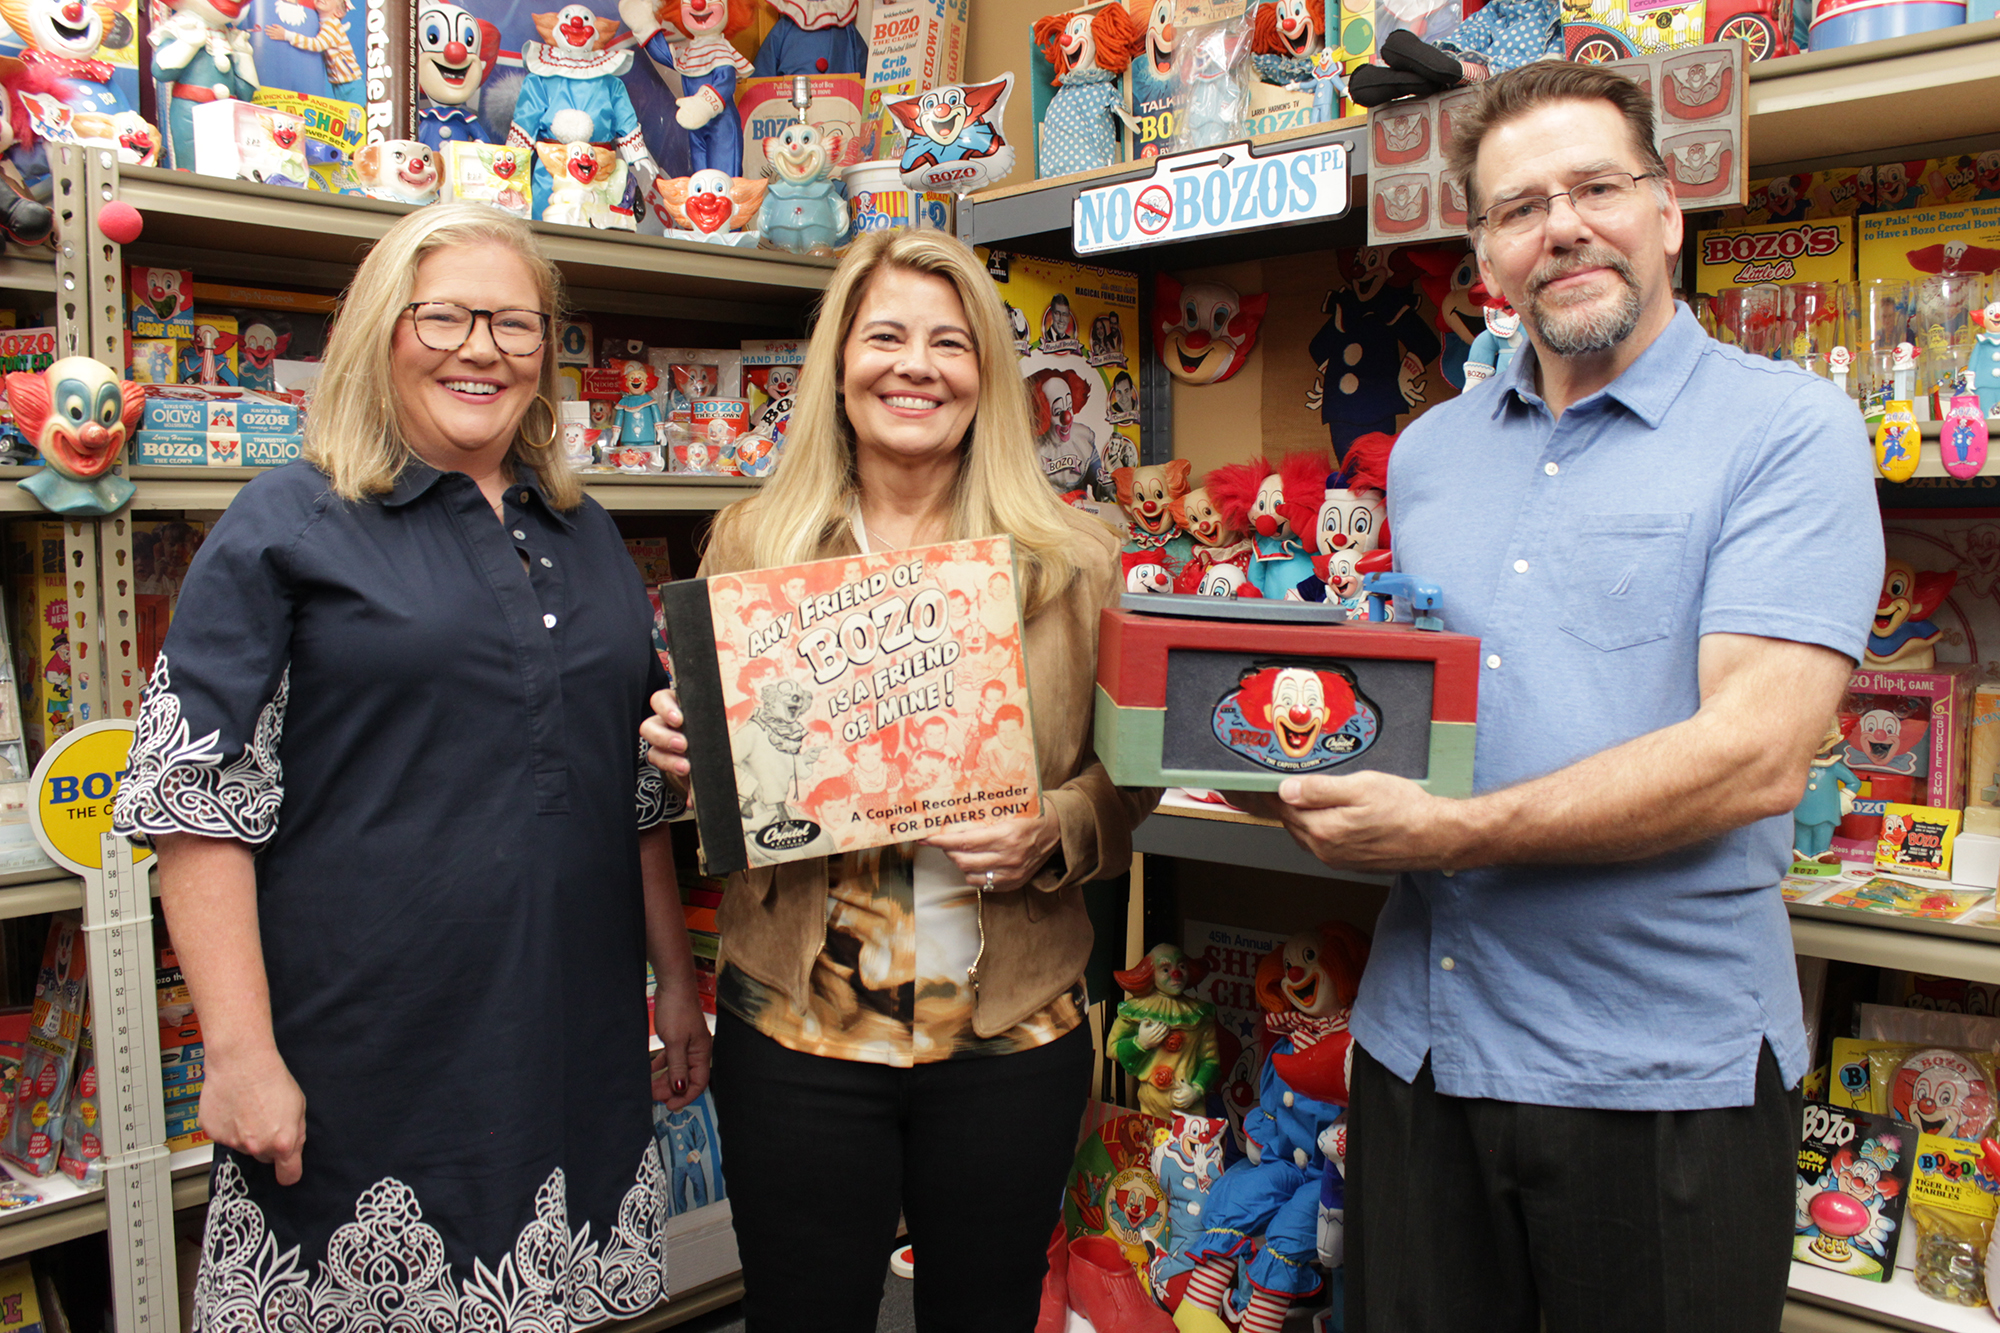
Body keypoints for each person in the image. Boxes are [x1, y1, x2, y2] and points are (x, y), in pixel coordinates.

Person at [1241, 63, 1883, 1333]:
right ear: (1485, 254)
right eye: (1519, 206)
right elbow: (1413, 711)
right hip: (1421, 1052)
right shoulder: (1427, 455)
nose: (1562, 225)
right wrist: (1276, 758)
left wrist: (1444, 834)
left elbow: (1753, 756)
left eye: (1595, 186)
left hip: (1659, 1074)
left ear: (1666, 212)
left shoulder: (1788, 431)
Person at [112, 203, 710, 1330]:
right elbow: (192, 799)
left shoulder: (583, 529)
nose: (480, 348)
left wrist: (674, 978)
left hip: (567, 1043)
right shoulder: (287, 521)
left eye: (515, 325)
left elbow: (629, 787)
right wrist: (239, 1055)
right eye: (444, 316)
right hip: (368, 1053)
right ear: (382, 332)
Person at [640, 228, 1151, 1332]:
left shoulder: (1072, 555)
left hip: (1007, 1025)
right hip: (796, 1024)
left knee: (984, 1311)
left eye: (949, 343)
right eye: (883, 337)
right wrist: (696, 755)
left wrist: (1055, 824)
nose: (914, 366)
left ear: (985, 378)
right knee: (801, 1312)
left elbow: (1135, 774)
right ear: (837, 363)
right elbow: (733, 779)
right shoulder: (750, 539)